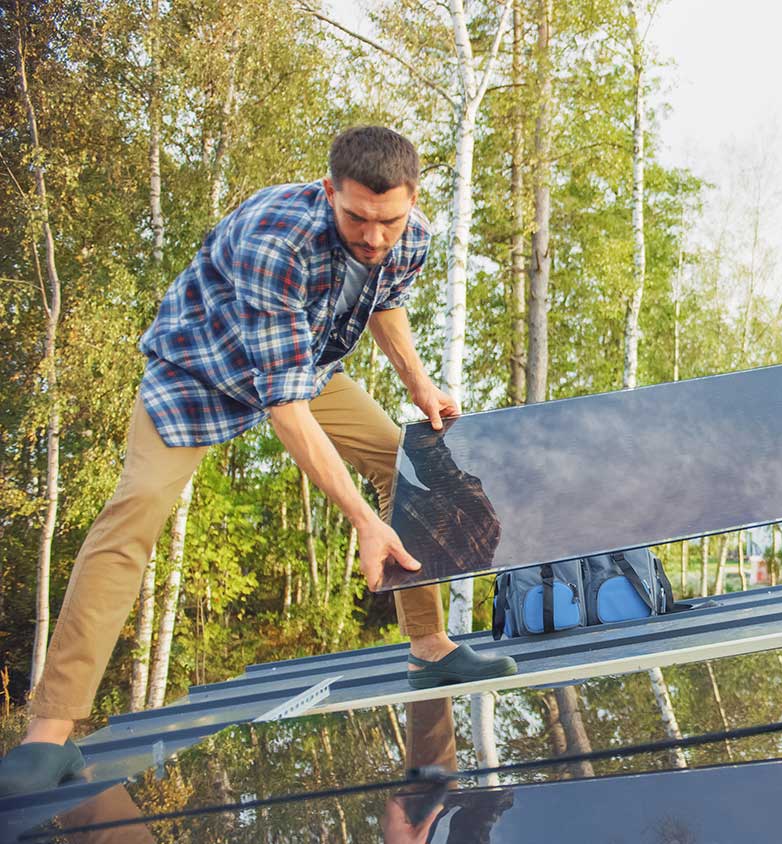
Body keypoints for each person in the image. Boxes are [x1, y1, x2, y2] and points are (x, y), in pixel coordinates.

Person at [0, 126, 517, 799]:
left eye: (388, 220)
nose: (373, 236)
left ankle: (431, 651)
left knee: (403, 462)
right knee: (136, 514)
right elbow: (284, 409)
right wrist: (363, 520)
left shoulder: (410, 235)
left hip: (303, 368)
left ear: (412, 201)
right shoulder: (276, 238)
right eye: (356, 217)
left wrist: (418, 384)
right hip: (199, 372)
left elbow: (383, 303)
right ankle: (49, 736)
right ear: (330, 191)